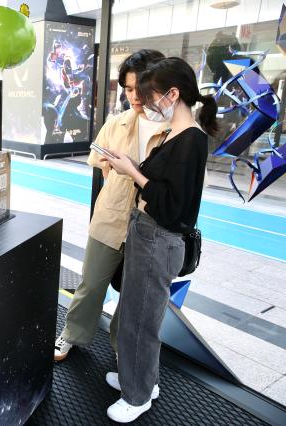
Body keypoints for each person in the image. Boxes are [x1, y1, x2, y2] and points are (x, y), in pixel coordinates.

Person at [101, 57, 217, 423]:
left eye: (151, 97)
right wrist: (130, 165)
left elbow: (172, 205)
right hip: (147, 233)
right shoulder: (175, 135)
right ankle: (141, 380)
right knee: (135, 312)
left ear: (172, 93)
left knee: (141, 320)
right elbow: (154, 179)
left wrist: (132, 171)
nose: (148, 105)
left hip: (159, 237)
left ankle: (137, 397)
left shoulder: (190, 140)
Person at [54, 49, 166, 361]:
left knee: (133, 296)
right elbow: (97, 158)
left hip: (149, 222)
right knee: (91, 283)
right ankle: (71, 334)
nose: (134, 96)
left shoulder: (172, 130)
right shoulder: (116, 122)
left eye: (139, 89)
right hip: (110, 216)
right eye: (128, 89)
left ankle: (122, 347)